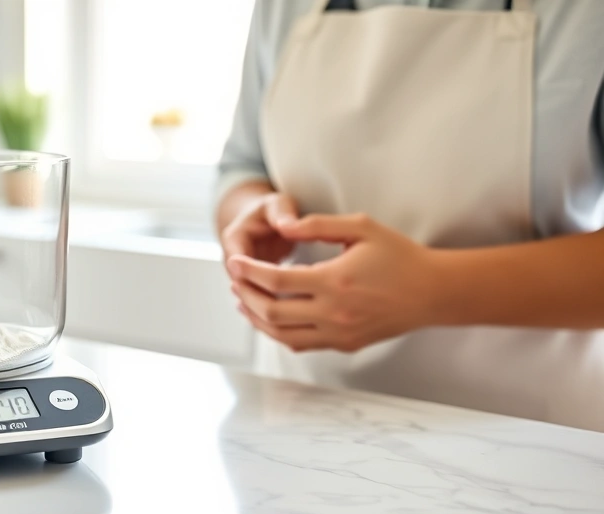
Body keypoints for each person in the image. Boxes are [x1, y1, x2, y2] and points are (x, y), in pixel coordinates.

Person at [217, 0, 604, 430]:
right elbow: (243, 168)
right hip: (301, 417)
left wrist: (434, 289)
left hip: (526, 437)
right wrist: (251, 213)